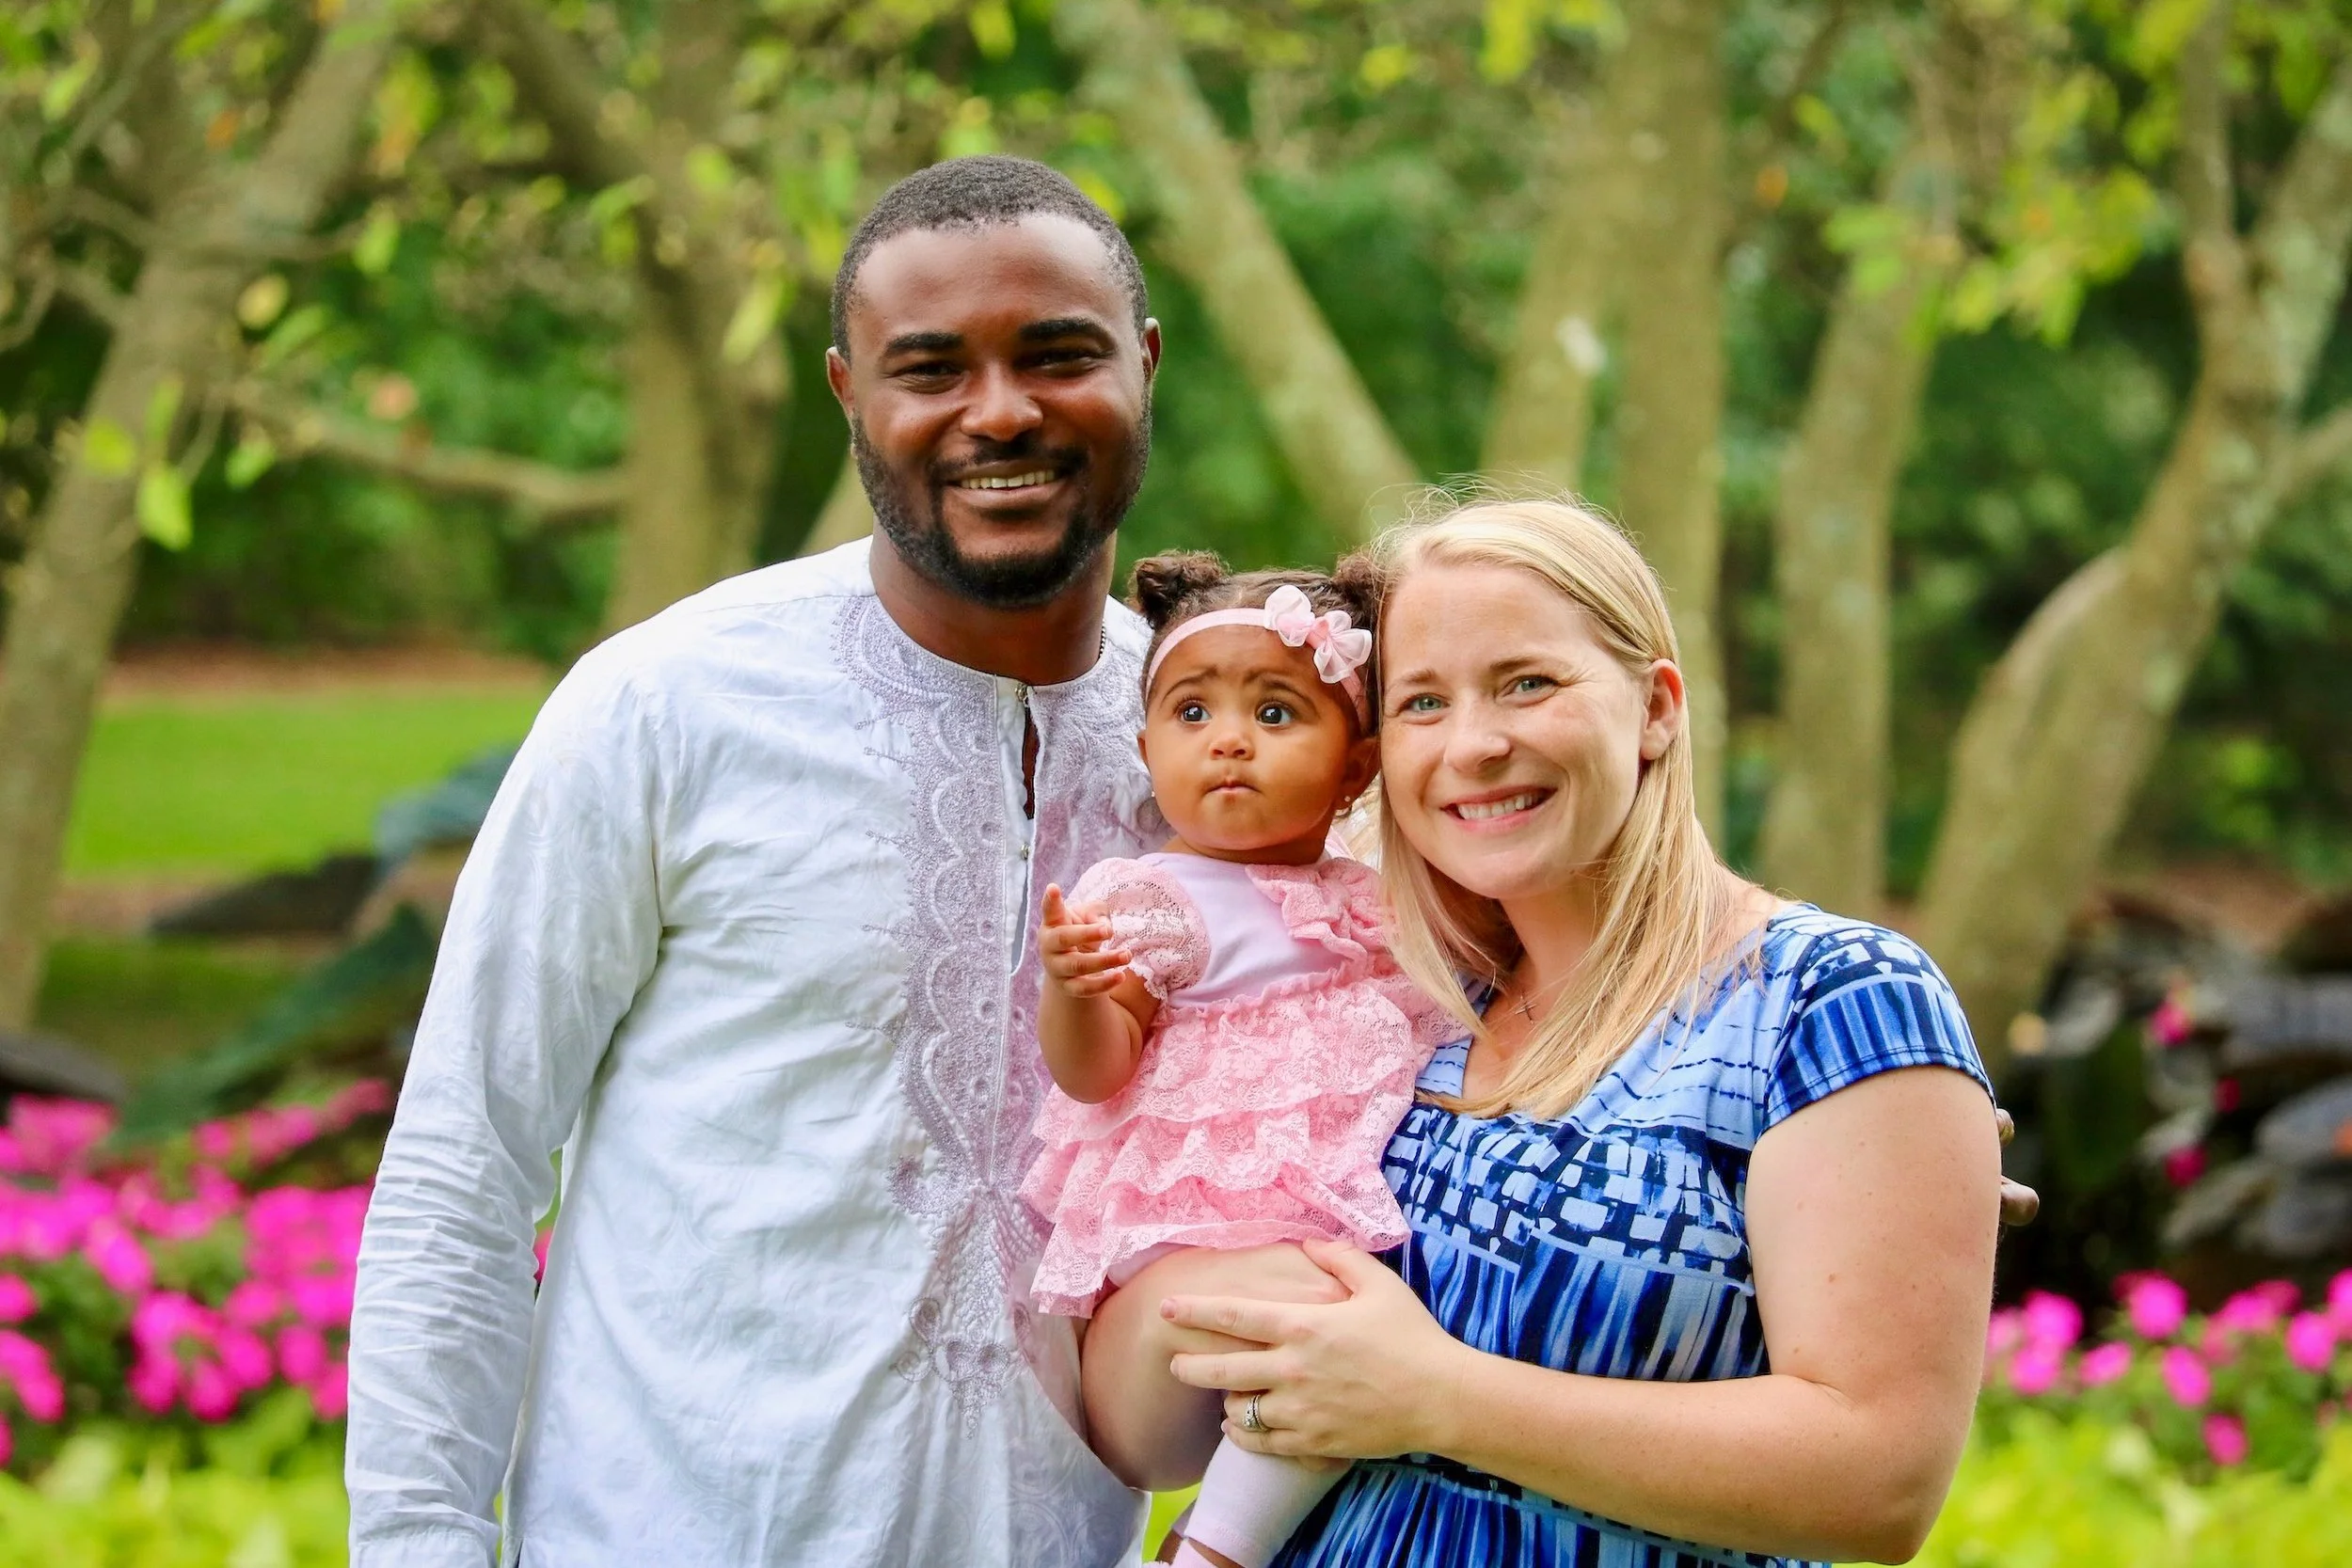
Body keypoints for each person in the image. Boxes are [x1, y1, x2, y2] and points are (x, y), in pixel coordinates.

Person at [344, 155, 1165, 1567]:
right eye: (931, 367)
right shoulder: (665, 704)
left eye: (1059, 354)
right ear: (852, 394)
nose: (1002, 411)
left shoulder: (1207, 753)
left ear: (1143, 367)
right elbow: (465, 1159)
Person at [1102, 498, 2007, 1566]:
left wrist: (1438, 1397)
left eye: (1527, 683)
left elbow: (1878, 1478)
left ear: (1658, 706)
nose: (1475, 745)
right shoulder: (1401, 1003)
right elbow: (1144, 1439)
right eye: (1424, 701)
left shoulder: (1829, 1000)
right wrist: (1190, 1294)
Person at [1025, 552, 1452, 1568]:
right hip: (1184, 1277)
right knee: (1327, 1313)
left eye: (1274, 714)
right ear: (1144, 747)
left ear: (1355, 764)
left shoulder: (1379, 907)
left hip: (1314, 1271)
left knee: (1351, 1338)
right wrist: (1076, 993)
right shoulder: (1151, 900)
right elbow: (1094, 1073)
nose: (1227, 740)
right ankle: (1213, 1551)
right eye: (1190, 714)